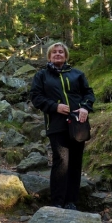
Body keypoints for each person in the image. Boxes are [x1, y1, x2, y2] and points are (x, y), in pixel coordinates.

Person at [30, 42, 95, 210]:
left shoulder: (77, 74)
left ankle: (71, 201)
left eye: (61, 52)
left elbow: (88, 93)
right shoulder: (42, 76)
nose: (57, 54)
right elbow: (36, 97)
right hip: (56, 125)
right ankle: (57, 202)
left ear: (66, 56)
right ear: (49, 56)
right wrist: (55, 107)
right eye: (54, 52)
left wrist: (85, 107)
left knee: (75, 162)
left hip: (78, 125)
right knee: (61, 161)